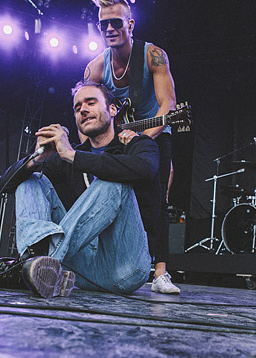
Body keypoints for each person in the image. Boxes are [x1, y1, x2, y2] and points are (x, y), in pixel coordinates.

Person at [0, 80, 161, 298]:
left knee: (113, 181)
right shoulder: (66, 157)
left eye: (91, 102)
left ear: (112, 109)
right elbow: (4, 184)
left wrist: (72, 155)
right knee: (32, 179)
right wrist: (36, 160)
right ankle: (34, 263)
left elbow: (145, 169)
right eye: (77, 107)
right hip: (81, 269)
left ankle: (23, 269)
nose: (83, 110)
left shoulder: (136, 144)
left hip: (125, 268)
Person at [84, 0, 180, 294]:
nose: (110, 29)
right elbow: (87, 109)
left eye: (116, 22)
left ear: (130, 24)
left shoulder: (152, 55)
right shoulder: (96, 67)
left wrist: (142, 139)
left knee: (157, 199)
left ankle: (160, 272)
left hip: (154, 132)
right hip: (117, 137)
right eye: (104, 24)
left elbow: (168, 105)